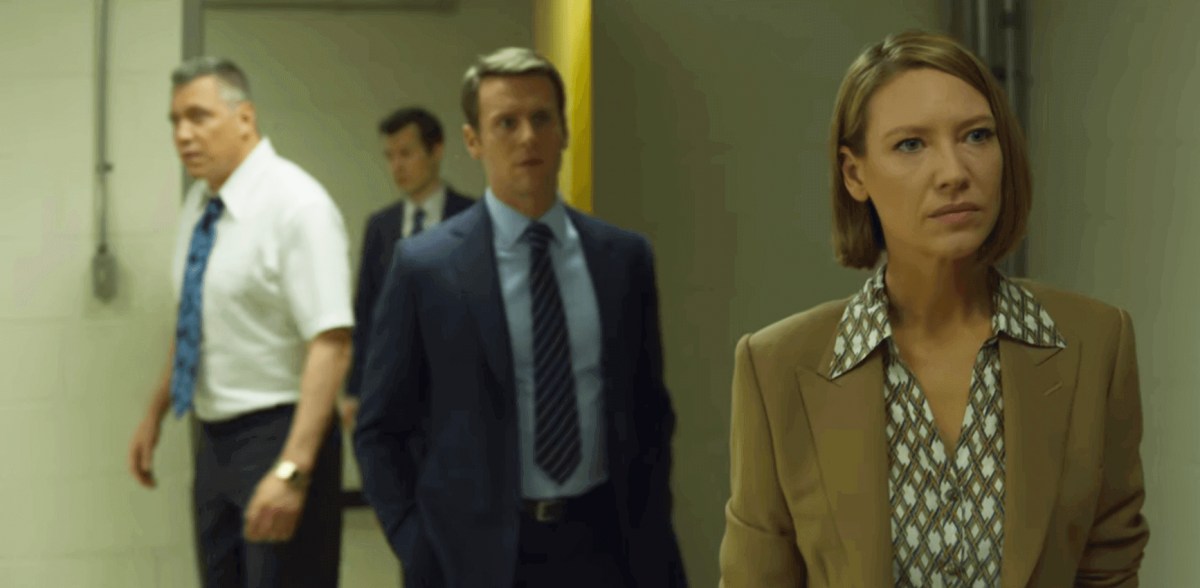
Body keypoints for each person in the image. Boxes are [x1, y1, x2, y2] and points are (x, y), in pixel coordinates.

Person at [719, 31, 1149, 587]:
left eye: (977, 135)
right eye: (910, 145)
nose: (953, 172)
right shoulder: (776, 366)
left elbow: (1110, 569)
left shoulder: (1095, 343)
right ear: (854, 174)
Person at [353, 47, 687, 587]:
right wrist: (416, 545)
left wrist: (650, 532)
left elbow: (649, 411)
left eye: (542, 118)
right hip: (474, 558)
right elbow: (379, 429)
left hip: (604, 546)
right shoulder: (425, 268)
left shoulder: (622, 259)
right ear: (473, 141)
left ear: (564, 131)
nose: (527, 137)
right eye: (506, 123)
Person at [126, 57, 353, 588]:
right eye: (175, 121)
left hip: (281, 433)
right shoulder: (200, 204)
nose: (183, 135)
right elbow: (194, 317)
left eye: (199, 116)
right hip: (215, 438)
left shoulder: (298, 206)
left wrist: (292, 470)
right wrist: (155, 412)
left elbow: (333, 342)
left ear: (245, 118)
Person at [341, 107, 473, 427]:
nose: (397, 166)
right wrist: (354, 389)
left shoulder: (472, 217)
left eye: (406, 154)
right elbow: (366, 311)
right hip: (392, 387)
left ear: (436, 150)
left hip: (459, 386)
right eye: (390, 156)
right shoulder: (380, 226)